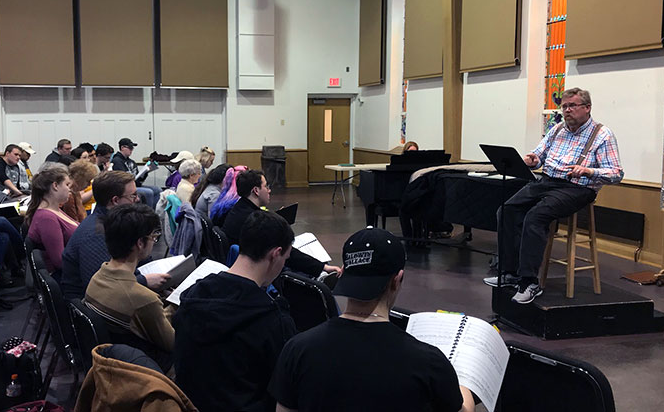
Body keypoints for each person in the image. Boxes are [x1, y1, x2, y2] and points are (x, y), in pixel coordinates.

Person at [269, 226, 474, 412]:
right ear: (397, 280)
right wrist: (464, 384)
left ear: (344, 274)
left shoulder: (297, 350)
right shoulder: (428, 361)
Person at [484, 87, 624, 303]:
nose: (567, 110)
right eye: (565, 106)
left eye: (572, 106)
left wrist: (589, 171)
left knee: (536, 216)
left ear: (587, 108)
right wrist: (532, 159)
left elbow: (616, 173)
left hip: (578, 187)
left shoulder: (602, 135)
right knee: (507, 210)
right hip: (548, 181)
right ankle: (509, 273)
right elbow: (539, 155)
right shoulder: (557, 129)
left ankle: (529, 282)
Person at [173, 210, 297, 411]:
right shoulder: (274, 319)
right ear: (275, 254)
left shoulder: (192, 295)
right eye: (286, 258)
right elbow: (286, 389)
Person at [85, 203, 175, 368]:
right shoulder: (144, 299)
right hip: (148, 371)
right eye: (154, 237)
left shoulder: (96, 277)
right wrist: (175, 305)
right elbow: (172, 343)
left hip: (114, 364)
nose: (154, 242)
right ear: (140, 243)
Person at [61, 171, 169, 300]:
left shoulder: (112, 223)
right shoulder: (97, 234)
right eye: (133, 195)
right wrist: (144, 281)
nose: (138, 199)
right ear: (115, 200)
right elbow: (102, 287)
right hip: (92, 309)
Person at [224, 170, 341, 277]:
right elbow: (286, 252)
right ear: (256, 191)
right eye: (266, 186)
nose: (269, 190)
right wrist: (322, 267)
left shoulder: (239, 209)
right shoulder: (253, 221)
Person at [25, 165, 80, 281]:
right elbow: (59, 261)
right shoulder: (47, 218)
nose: (69, 189)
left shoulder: (55, 210)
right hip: (67, 277)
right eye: (67, 185)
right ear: (55, 186)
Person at [111, 138, 161, 209]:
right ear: (122, 147)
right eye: (130, 148)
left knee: (157, 190)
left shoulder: (132, 162)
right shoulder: (117, 161)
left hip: (135, 185)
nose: (131, 150)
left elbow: (138, 180)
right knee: (149, 192)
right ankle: (148, 215)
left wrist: (146, 172)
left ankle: (157, 214)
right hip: (126, 188)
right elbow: (122, 180)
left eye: (132, 148)